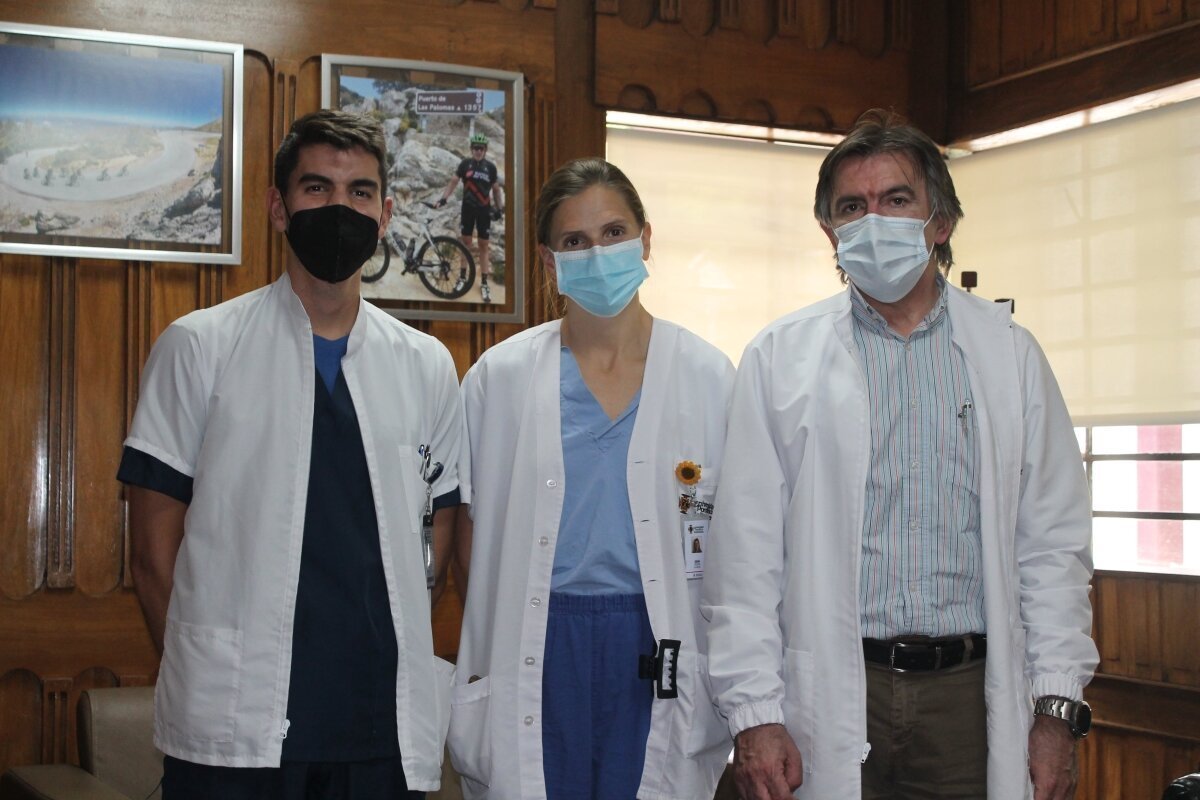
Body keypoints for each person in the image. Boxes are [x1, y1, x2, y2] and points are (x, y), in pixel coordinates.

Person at [702, 109, 1098, 800]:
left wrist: (1056, 709)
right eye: (852, 207)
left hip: (967, 699)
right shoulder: (779, 357)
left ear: (939, 221)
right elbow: (743, 558)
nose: (873, 220)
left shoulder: (1009, 355)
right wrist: (754, 714)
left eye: (895, 199)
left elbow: (1052, 548)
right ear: (829, 231)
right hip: (831, 687)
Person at [118, 109, 463, 799]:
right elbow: (153, 555)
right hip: (231, 729)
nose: (340, 208)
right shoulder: (200, 347)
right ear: (279, 208)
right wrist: (207, 667)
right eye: (316, 188)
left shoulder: (426, 365)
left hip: (379, 734)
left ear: (386, 213)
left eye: (360, 191)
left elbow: (436, 537)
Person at [448, 157, 734, 799]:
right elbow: (471, 541)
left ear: (646, 239)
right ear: (549, 263)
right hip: (541, 639)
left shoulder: (709, 377)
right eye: (574, 241)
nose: (597, 254)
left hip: (656, 639)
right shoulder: (500, 378)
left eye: (614, 232)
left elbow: (737, 546)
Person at [436, 132, 504, 303]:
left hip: (484, 211)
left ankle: (484, 283)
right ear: (471, 149)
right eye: (475, 148)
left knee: (483, 245)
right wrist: (444, 198)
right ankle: (462, 277)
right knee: (465, 244)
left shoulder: (491, 167)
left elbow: (496, 190)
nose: (478, 151)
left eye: (481, 148)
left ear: (485, 150)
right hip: (467, 209)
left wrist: (500, 209)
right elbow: (453, 182)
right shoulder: (465, 164)